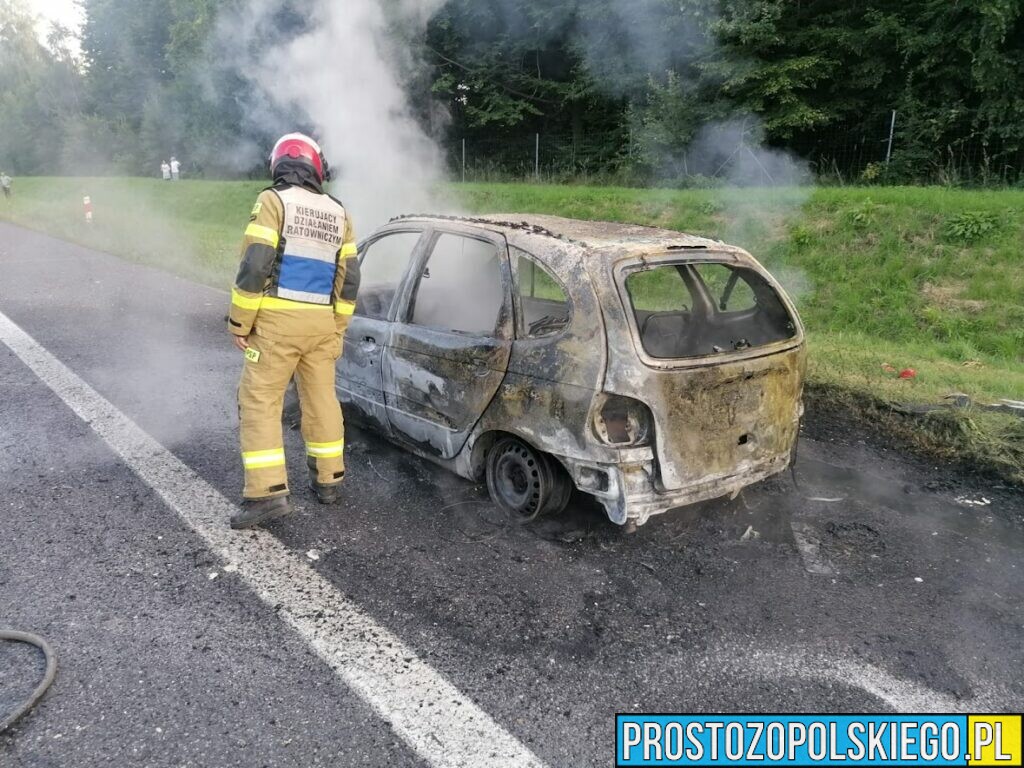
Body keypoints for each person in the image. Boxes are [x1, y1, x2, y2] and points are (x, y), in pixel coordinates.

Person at [227, 132, 360, 530]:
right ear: (317, 167)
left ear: (280, 164)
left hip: (275, 326)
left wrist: (240, 321)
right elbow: (349, 278)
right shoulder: (339, 211)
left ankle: (267, 494)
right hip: (321, 326)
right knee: (321, 400)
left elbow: (255, 265)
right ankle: (330, 481)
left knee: (260, 401)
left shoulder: (273, 201)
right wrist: (337, 327)